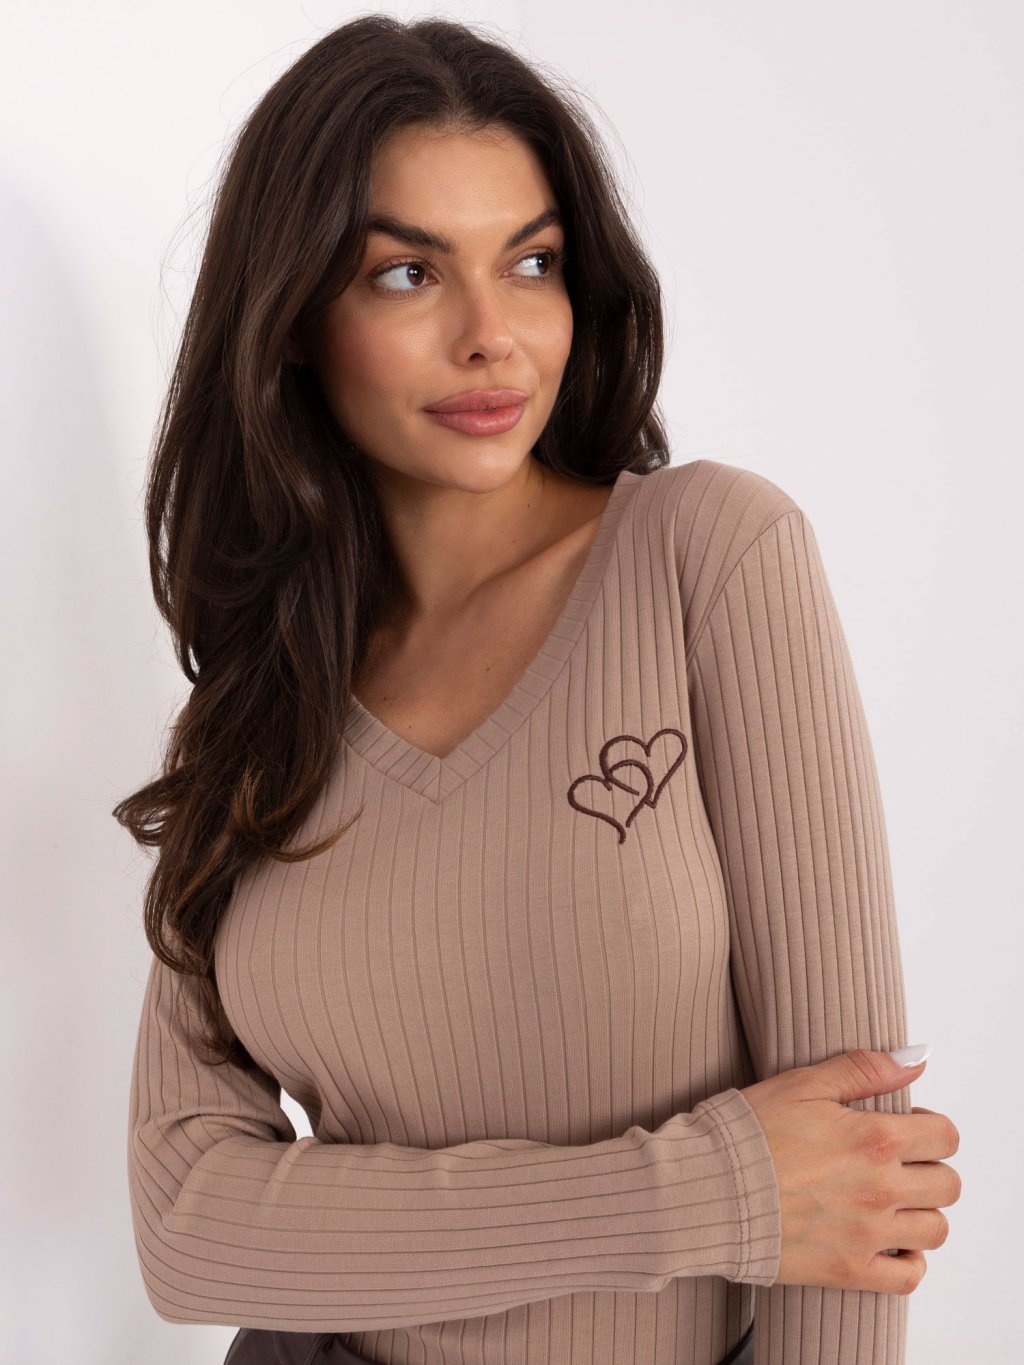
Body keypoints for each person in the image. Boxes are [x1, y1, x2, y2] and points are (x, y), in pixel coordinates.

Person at [118, 15, 960, 1365]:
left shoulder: (706, 560)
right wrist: (711, 1193)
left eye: (532, 262)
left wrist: (774, 1195)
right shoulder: (257, 708)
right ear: (294, 323)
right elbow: (189, 1234)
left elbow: (854, 1190)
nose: (492, 336)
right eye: (406, 273)